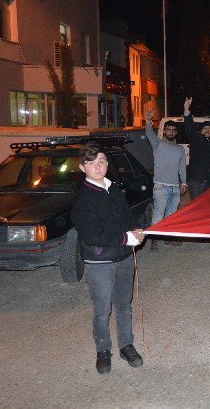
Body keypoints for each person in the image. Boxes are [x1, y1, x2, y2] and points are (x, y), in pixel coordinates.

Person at [71, 142, 146, 374]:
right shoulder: (82, 198)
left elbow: (126, 215)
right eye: (91, 163)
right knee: (102, 310)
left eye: (102, 161)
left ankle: (126, 346)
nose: (98, 166)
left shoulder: (114, 189)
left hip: (123, 259)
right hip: (100, 262)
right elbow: (93, 235)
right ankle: (103, 351)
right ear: (83, 167)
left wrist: (136, 229)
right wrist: (125, 239)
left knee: (124, 306)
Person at [146, 110, 187, 251]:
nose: (170, 132)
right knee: (158, 213)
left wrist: (184, 182)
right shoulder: (157, 144)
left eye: (173, 130)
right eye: (168, 130)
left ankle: (169, 238)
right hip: (161, 186)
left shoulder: (180, 149)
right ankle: (154, 240)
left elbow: (182, 167)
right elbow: (149, 133)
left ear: (176, 132)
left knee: (171, 215)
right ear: (164, 132)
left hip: (175, 187)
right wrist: (148, 121)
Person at [183, 89, 210, 200]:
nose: (207, 130)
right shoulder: (197, 140)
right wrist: (187, 111)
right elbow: (190, 129)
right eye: (204, 128)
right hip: (197, 180)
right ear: (200, 131)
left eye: (209, 128)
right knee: (196, 208)